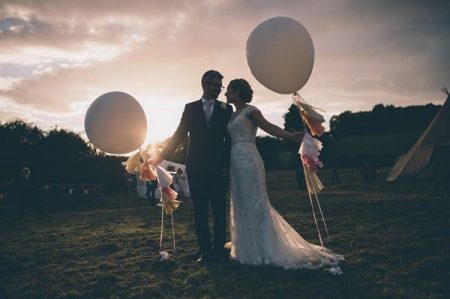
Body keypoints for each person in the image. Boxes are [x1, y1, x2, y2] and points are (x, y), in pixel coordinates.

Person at [225, 79, 343, 269]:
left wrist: (289, 136)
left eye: (229, 90)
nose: (225, 93)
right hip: (235, 161)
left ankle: (264, 249)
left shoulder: (251, 111)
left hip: (249, 159)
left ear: (237, 92)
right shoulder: (230, 115)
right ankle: (246, 248)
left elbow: (269, 127)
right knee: (240, 202)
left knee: (255, 202)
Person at [152, 70, 233, 263]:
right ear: (205, 84)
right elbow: (179, 135)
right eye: (215, 85)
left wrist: (227, 164)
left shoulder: (226, 109)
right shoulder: (190, 108)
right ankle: (205, 251)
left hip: (219, 168)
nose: (219, 89)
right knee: (200, 211)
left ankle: (219, 248)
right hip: (196, 167)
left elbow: (229, 139)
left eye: (220, 86)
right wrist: (161, 156)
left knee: (220, 210)